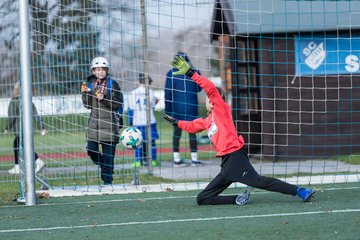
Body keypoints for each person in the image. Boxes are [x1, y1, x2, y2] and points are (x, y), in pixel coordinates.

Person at [163, 56, 315, 205]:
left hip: (235, 157)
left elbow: (209, 88)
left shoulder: (221, 109)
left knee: (259, 181)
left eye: (210, 99)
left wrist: (191, 73)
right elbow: (193, 126)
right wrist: (176, 123)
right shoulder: (208, 120)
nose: (208, 101)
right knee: (202, 198)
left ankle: (300, 191)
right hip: (226, 164)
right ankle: (236, 199)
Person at [81, 56, 123, 185]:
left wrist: (104, 98)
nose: (100, 72)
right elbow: (87, 105)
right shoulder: (89, 84)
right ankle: (104, 165)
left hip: (110, 125)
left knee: (109, 158)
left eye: (103, 69)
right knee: (91, 150)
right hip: (94, 125)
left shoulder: (112, 83)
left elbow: (118, 104)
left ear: (107, 70)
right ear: (93, 71)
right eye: (97, 69)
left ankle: (107, 182)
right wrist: (85, 93)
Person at [165, 51, 202, 167]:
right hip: (192, 107)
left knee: (176, 133)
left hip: (177, 108)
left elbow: (168, 94)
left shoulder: (171, 74)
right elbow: (199, 88)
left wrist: (168, 111)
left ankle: (177, 159)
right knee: (192, 133)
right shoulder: (194, 72)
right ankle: (194, 160)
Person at [5, 81, 47, 174]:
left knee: (19, 145)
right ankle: (20, 165)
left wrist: (7, 127)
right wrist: (42, 127)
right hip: (28, 128)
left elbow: (11, 117)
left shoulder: (14, 101)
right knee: (20, 145)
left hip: (19, 129)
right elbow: (36, 115)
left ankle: (37, 162)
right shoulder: (28, 100)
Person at [128, 73, 159, 168]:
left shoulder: (133, 93)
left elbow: (131, 108)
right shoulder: (150, 92)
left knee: (137, 142)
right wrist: (156, 101)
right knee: (151, 141)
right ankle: (153, 160)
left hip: (138, 121)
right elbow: (152, 106)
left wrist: (130, 121)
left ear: (138, 81)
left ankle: (138, 161)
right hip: (150, 120)